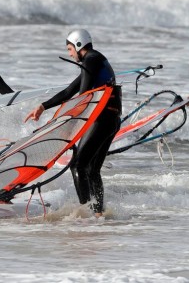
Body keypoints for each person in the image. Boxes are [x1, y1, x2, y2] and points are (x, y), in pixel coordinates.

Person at [25, 29, 122, 217]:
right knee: (92, 169)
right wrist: (43, 107)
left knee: (78, 166)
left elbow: (83, 96)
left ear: (78, 45)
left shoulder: (90, 60)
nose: (70, 54)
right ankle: (98, 213)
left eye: (70, 49)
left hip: (102, 121)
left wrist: (66, 127)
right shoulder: (95, 61)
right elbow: (70, 91)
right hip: (111, 120)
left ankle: (86, 211)